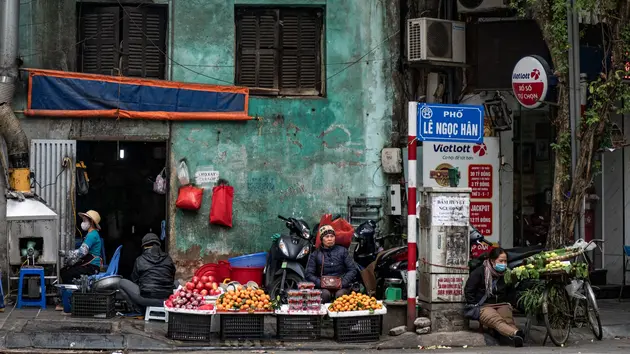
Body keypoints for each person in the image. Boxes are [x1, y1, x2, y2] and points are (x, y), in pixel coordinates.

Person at [464, 247, 524, 347]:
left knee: (508, 320)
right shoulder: (480, 272)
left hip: (501, 303)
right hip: (484, 305)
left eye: (505, 261)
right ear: (492, 261)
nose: (504, 264)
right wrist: (474, 304)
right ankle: (516, 334)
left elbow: (511, 291)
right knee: (497, 320)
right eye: (501, 261)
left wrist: (509, 303)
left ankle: (516, 336)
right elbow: (469, 290)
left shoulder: (507, 274)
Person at [117, 233, 176, 313]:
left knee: (121, 282)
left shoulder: (140, 259)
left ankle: (138, 309)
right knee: (177, 282)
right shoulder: (168, 259)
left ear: (144, 246)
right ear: (159, 245)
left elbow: (134, 279)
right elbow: (172, 277)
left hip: (146, 299)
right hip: (166, 299)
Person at [305, 225, 358, 303]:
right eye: (326, 236)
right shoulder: (315, 254)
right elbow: (308, 274)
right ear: (322, 239)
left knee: (340, 296)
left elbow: (352, 269)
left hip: (342, 286)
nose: (330, 239)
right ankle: (323, 315)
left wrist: (342, 283)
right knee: (325, 295)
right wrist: (321, 283)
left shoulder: (343, 251)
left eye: (332, 236)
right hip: (323, 287)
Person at [59, 210, 103, 284]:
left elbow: (82, 252)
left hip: (92, 267)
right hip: (91, 266)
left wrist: (65, 253)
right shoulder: (93, 234)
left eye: (85, 220)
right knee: (64, 270)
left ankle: (72, 293)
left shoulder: (92, 235)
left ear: (91, 222)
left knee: (66, 273)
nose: (83, 222)